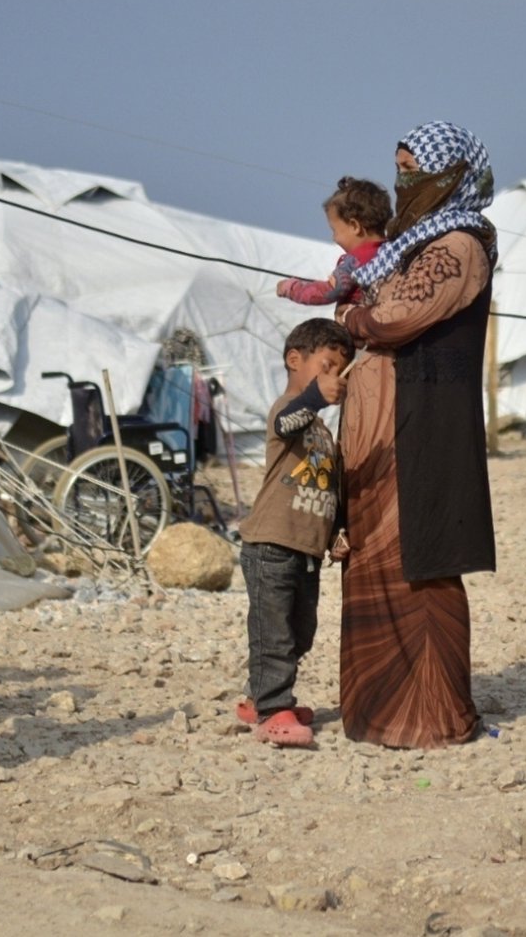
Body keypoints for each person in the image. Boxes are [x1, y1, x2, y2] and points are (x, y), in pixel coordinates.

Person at [334, 121, 497, 749]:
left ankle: (432, 714)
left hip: (422, 428)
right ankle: (379, 708)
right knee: (374, 561)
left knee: (421, 565)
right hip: (381, 429)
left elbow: (396, 319)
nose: (404, 183)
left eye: (415, 170)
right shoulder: (407, 246)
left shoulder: (457, 247)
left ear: (450, 175)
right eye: (397, 168)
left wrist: (349, 314)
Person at [233, 318, 353, 747]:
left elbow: (330, 485)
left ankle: (258, 697)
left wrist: (337, 529)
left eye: (341, 370)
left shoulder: (321, 431)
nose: (335, 377)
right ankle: (273, 710)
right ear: (295, 359)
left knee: (300, 632)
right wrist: (316, 396)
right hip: (270, 543)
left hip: (306, 550)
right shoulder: (289, 410)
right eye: (328, 365)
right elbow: (288, 420)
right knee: (274, 633)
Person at [277, 177, 392, 306]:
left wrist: (290, 288)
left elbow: (327, 292)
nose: (334, 238)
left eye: (335, 231)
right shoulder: (394, 252)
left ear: (355, 226)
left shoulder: (354, 262)